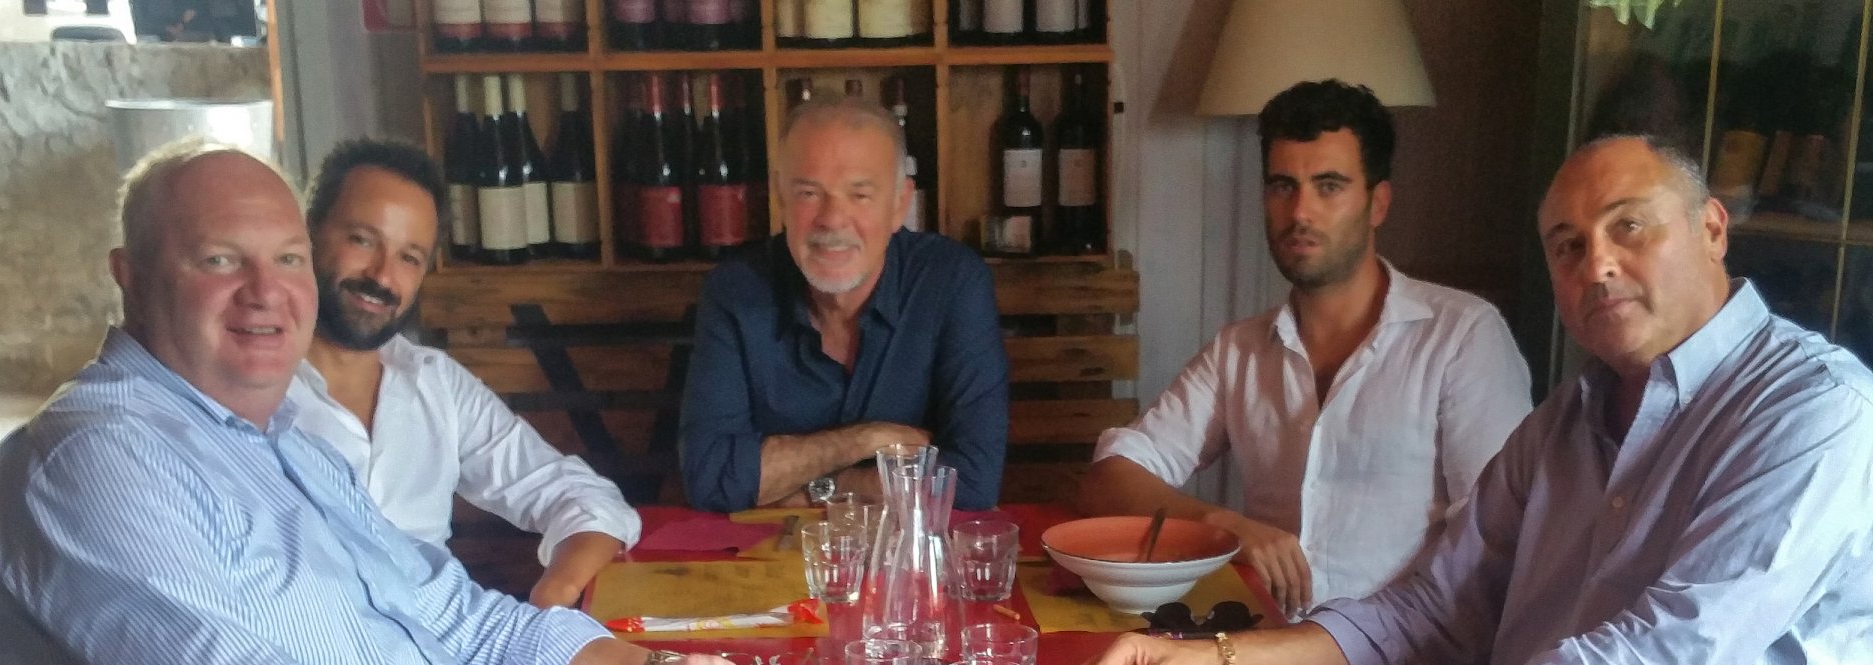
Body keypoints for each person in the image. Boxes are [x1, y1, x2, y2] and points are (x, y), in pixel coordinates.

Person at [1087, 135, 1873, 665]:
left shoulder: (1817, 410)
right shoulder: (1563, 422)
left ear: (1712, 229)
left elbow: (1666, 650)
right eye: (1568, 245)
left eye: (1629, 226)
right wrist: (1213, 657)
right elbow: (1430, 608)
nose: (1597, 265)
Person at [0, 140, 717, 665]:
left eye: (286, 259)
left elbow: (455, 617)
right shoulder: (97, 456)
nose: (266, 291)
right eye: (220, 259)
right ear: (130, 276)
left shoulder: (286, 443)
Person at [1077, 80, 1532, 616]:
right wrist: (1219, 523)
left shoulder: (1462, 336)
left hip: (1407, 644)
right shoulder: (1239, 351)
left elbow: (1496, 544)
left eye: (1329, 186)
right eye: (1282, 187)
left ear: (1378, 203)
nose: (1300, 213)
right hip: (1260, 638)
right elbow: (1110, 478)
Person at [286, 139, 641, 609]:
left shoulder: (434, 383)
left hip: (436, 638)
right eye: (363, 240)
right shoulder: (248, 396)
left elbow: (583, 498)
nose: (383, 276)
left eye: (409, 257)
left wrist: (554, 596)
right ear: (305, 234)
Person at [679, 98, 1009, 512]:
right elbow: (710, 480)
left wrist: (814, 488)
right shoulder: (735, 290)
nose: (833, 219)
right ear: (781, 199)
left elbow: (973, 483)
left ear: (900, 204)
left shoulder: (952, 282)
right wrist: (868, 440)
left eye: (860, 195)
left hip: (906, 550)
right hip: (769, 549)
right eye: (809, 193)